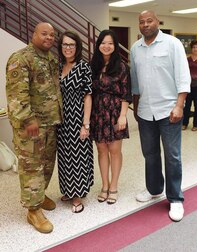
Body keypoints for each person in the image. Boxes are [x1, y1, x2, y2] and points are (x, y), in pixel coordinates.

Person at [130, 10, 191, 222]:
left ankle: (175, 198)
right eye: (142, 22)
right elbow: (136, 82)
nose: (145, 24)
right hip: (146, 111)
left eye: (149, 20)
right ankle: (154, 189)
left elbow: (183, 76)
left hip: (169, 110)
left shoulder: (172, 44)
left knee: (172, 156)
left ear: (158, 22)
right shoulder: (135, 48)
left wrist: (180, 105)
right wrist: (136, 107)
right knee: (150, 154)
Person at [6, 22, 62, 233]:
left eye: (52, 35)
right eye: (44, 34)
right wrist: (28, 120)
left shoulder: (51, 60)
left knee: (47, 164)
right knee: (32, 166)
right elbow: (16, 94)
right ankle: (33, 211)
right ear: (34, 34)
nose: (49, 37)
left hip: (49, 123)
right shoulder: (21, 58)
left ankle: (40, 195)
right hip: (30, 127)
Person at [90, 29, 132, 205]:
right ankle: (104, 185)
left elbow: (126, 93)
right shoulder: (93, 65)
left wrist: (123, 116)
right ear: (98, 45)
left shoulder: (121, 66)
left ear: (114, 46)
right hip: (97, 112)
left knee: (114, 151)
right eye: (103, 43)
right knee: (101, 150)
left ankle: (114, 186)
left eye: (110, 43)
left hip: (115, 112)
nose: (106, 46)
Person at [57, 30, 93, 213]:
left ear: (77, 47)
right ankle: (68, 191)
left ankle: (77, 196)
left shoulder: (83, 67)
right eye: (65, 44)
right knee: (64, 157)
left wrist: (85, 124)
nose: (68, 48)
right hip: (61, 120)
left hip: (77, 118)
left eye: (71, 45)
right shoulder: (58, 66)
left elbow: (88, 96)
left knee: (77, 156)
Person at [182, 40, 197, 131]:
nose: (195, 49)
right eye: (193, 47)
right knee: (187, 105)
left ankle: (196, 124)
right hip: (188, 86)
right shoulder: (187, 59)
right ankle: (184, 123)